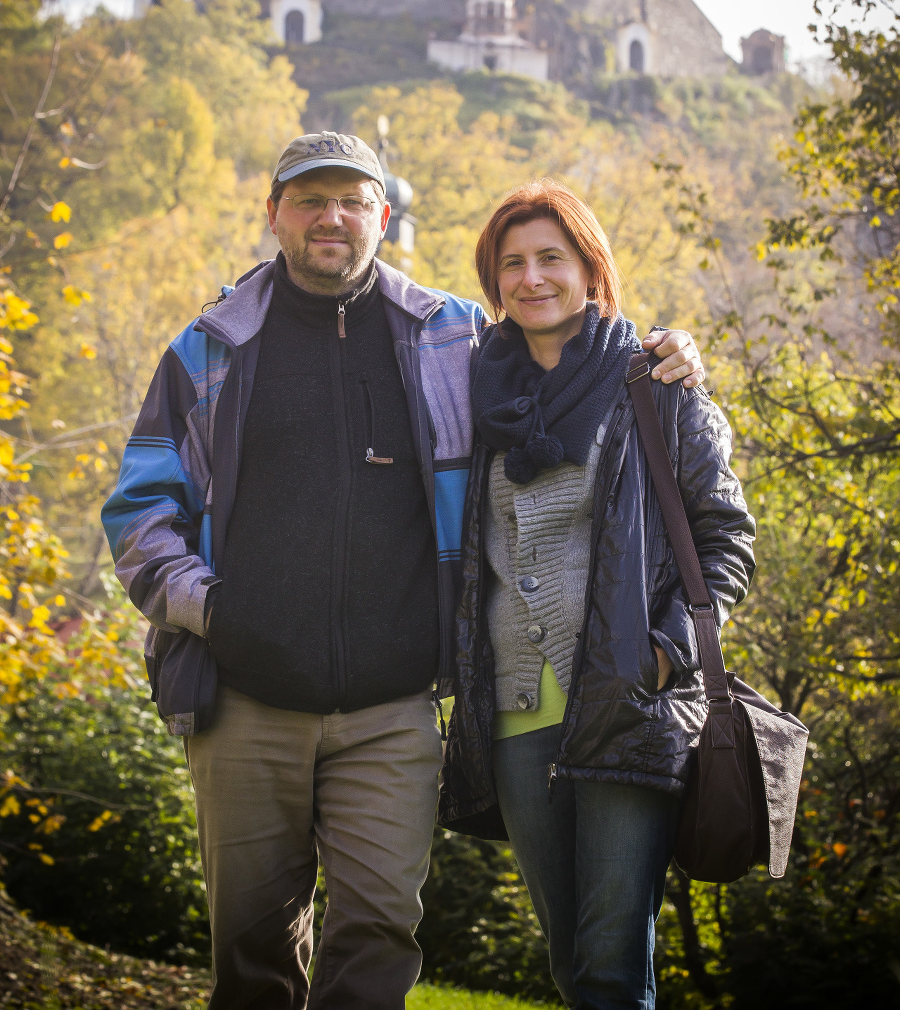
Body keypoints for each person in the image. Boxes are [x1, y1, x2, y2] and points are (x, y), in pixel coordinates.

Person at [102, 134, 708, 1010]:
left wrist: (667, 352)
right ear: (274, 213)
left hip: (393, 713)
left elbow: (569, 350)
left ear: (383, 216)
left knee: (379, 941)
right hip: (244, 704)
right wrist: (212, 611)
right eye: (310, 199)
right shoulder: (209, 349)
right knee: (250, 954)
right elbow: (138, 510)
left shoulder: (455, 338)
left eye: (353, 199)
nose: (331, 217)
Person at [438, 180, 756, 1010]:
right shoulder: (478, 395)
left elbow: (726, 539)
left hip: (628, 705)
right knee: (569, 962)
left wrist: (663, 653)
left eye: (552, 257)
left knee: (615, 965)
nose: (531, 277)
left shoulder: (655, 384)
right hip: (515, 714)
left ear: (591, 269)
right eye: (511, 262)